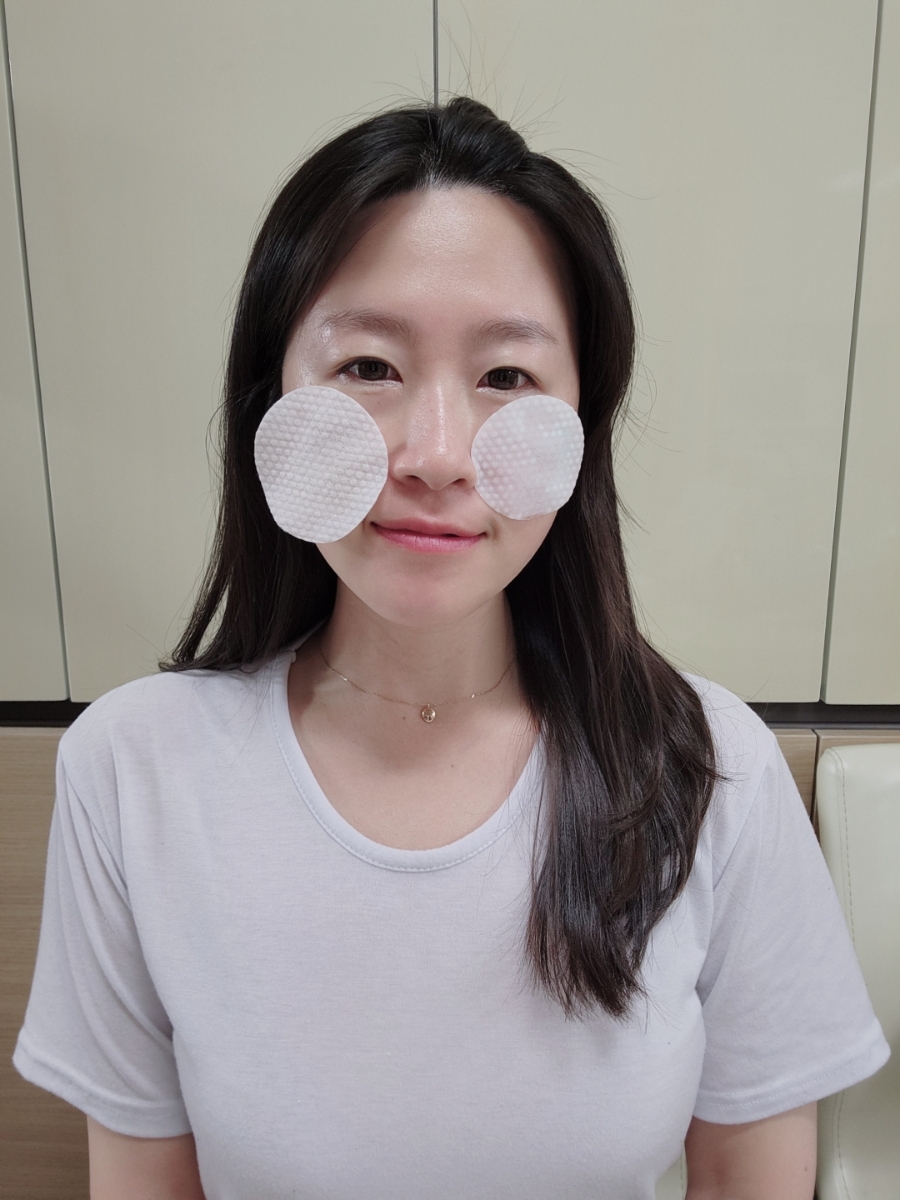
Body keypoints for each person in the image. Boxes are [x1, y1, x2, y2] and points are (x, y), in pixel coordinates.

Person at [14, 98, 888, 1200]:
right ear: (268, 401)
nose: (435, 455)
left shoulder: (711, 769)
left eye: (506, 378)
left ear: (584, 428)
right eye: (369, 366)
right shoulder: (130, 770)